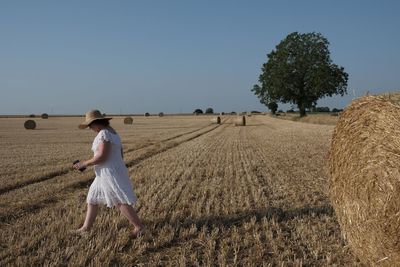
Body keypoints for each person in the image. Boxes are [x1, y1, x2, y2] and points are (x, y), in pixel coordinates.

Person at [73, 109, 144, 237]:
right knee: (92, 198)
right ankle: (86, 228)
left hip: (109, 172)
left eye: (90, 125)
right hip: (109, 171)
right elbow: (120, 154)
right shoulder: (113, 133)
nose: (90, 129)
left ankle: (139, 227)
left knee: (119, 200)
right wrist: (117, 166)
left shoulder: (103, 134)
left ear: (96, 123)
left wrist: (84, 163)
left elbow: (102, 157)